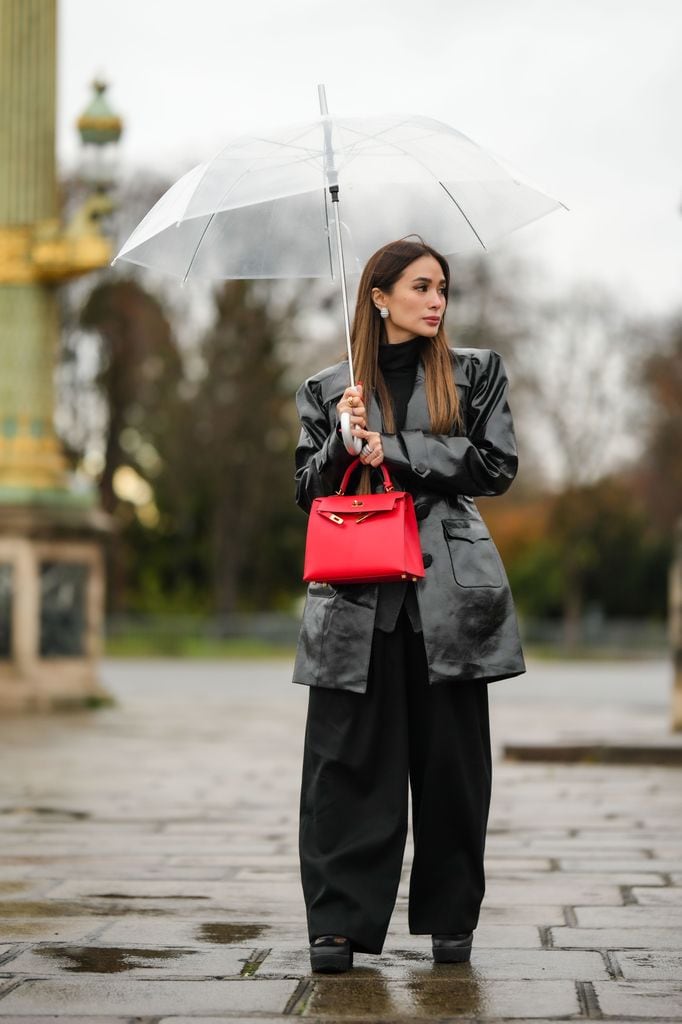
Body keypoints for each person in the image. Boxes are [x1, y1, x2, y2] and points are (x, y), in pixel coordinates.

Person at [292, 237, 526, 974]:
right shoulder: (330, 387)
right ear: (379, 295)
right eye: (422, 287)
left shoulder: (474, 372)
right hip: (355, 598)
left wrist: (390, 449)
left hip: (448, 596)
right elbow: (306, 488)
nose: (437, 301)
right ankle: (337, 923)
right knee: (343, 764)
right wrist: (340, 440)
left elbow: (495, 464)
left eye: (443, 289)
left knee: (452, 767)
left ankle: (451, 919)